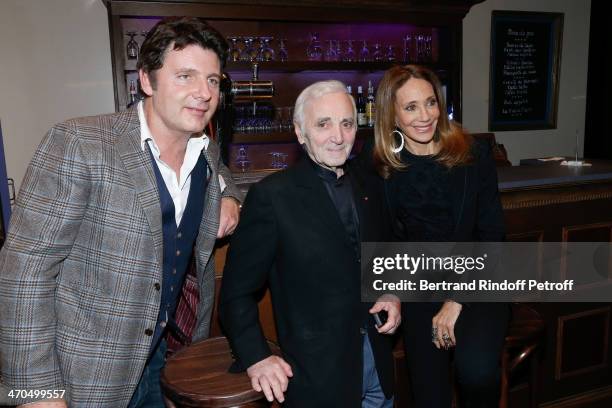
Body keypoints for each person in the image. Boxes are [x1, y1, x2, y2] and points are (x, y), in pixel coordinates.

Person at [0, 17, 242, 408]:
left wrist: (229, 196)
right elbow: (23, 271)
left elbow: (222, 171)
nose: (203, 92)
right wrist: (36, 393)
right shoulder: (80, 143)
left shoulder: (206, 151)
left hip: (168, 357)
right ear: (146, 81)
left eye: (213, 80)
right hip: (86, 373)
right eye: (185, 76)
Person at [219, 80, 401, 407]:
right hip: (319, 379)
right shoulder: (273, 197)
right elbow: (235, 294)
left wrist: (391, 292)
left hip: (378, 367)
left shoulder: (370, 183)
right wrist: (257, 357)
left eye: (346, 123)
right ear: (301, 133)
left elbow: (382, 253)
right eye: (323, 124)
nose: (338, 135)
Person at [371, 65, 509, 408]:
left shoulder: (473, 154)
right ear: (392, 115)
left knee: (475, 371)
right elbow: (385, 238)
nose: (425, 116)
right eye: (411, 107)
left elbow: (491, 235)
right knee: (428, 391)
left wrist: (456, 298)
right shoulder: (381, 164)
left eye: (430, 103)